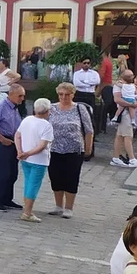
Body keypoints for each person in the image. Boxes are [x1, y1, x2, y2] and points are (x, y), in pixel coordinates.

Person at [40, 82, 94, 219]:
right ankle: (58, 206)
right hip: (54, 149)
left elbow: (89, 130)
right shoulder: (51, 108)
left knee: (71, 178)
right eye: (61, 94)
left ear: (73, 95)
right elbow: (42, 126)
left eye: (67, 94)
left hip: (74, 149)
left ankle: (69, 208)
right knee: (55, 177)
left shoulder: (80, 109)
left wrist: (88, 148)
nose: (64, 97)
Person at [0, 84, 26, 212]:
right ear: (11, 94)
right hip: (3, 141)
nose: (22, 98)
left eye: (23, 96)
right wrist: (2, 139)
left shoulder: (15, 108)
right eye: (20, 96)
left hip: (13, 142)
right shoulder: (0, 107)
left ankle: (7, 199)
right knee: (4, 173)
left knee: (13, 173)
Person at [14, 98, 54, 223]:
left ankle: (27, 209)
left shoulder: (27, 119)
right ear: (47, 111)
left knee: (28, 182)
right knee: (33, 185)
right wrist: (27, 153)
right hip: (39, 160)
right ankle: (28, 212)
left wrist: (20, 151)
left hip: (26, 159)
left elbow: (17, 135)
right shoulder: (47, 125)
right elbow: (42, 146)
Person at [112, 69, 137, 168]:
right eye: (130, 76)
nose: (132, 77)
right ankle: (132, 159)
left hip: (129, 112)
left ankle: (116, 158)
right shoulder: (118, 86)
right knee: (128, 136)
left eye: (132, 75)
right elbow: (117, 99)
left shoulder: (130, 86)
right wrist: (132, 104)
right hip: (124, 113)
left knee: (119, 136)